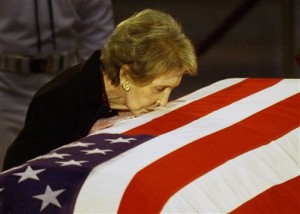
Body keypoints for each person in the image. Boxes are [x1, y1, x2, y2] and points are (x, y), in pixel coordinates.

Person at [3, 9, 198, 171]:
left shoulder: (133, 99)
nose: (163, 102)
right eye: (160, 89)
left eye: (170, 89)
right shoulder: (60, 100)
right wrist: (86, 141)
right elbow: (16, 177)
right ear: (126, 75)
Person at [0, 0, 115, 171]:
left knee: (63, 173)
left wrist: (96, 92)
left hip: (66, 84)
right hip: (6, 87)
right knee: (9, 177)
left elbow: (97, 32)